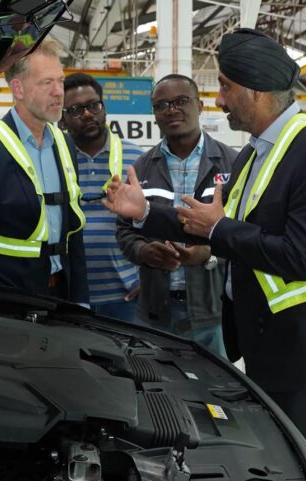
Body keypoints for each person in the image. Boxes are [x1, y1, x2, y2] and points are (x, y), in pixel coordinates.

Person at [103, 29, 306, 469]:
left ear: (256, 90)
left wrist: (220, 228)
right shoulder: (254, 154)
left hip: (305, 352)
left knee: (301, 470)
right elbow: (209, 226)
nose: (219, 99)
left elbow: (300, 257)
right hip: (268, 343)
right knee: (277, 463)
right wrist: (144, 212)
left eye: (225, 86)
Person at [0, 40, 88, 304]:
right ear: (18, 88)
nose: (59, 92)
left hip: (62, 295)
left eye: (60, 81)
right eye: (47, 82)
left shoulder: (65, 144)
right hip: (10, 299)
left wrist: (80, 299)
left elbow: (73, 233)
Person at [116, 74, 236, 358]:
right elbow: (124, 231)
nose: (171, 110)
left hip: (213, 312)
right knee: (155, 383)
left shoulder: (232, 163)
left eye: (181, 101)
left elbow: (244, 234)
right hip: (155, 313)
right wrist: (143, 252)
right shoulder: (141, 168)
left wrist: (208, 254)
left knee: (215, 385)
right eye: (162, 105)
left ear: (200, 106)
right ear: (154, 115)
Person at [61, 73, 143, 320]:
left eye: (93, 105)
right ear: (62, 118)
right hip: (68, 295)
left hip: (126, 296)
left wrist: (148, 277)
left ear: (104, 108)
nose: (87, 114)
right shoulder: (54, 158)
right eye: (75, 109)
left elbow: (155, 219)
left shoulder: (136, 158)